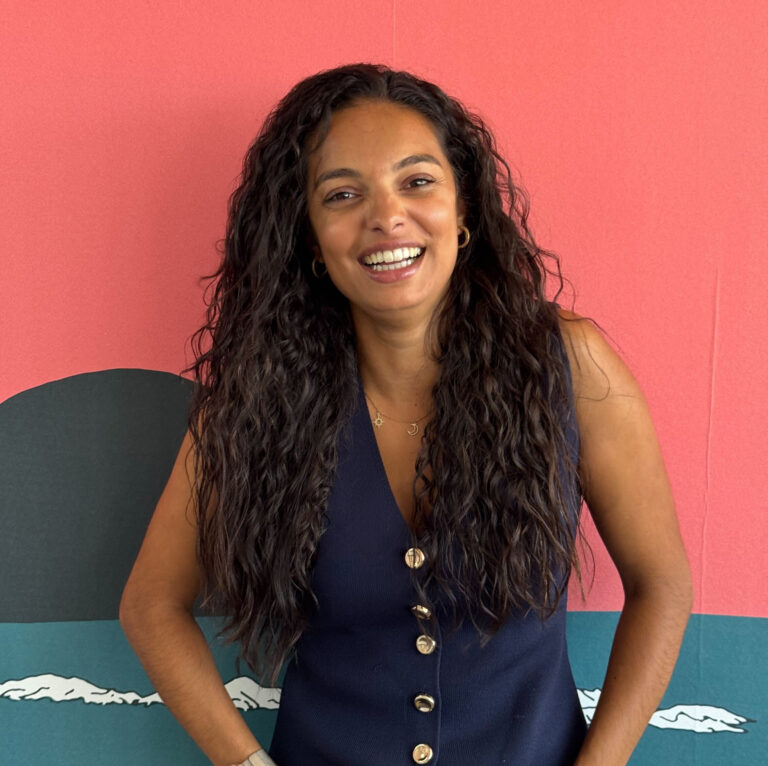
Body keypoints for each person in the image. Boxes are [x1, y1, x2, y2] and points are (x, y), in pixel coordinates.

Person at [120, 63, 693, 766]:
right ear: (309, 237)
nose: (386, 216)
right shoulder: (255, 400)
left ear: (465, 209)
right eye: (342, 194)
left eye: (417, 181)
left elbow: (662, 585)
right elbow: (151, 604)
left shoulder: (570, 364)